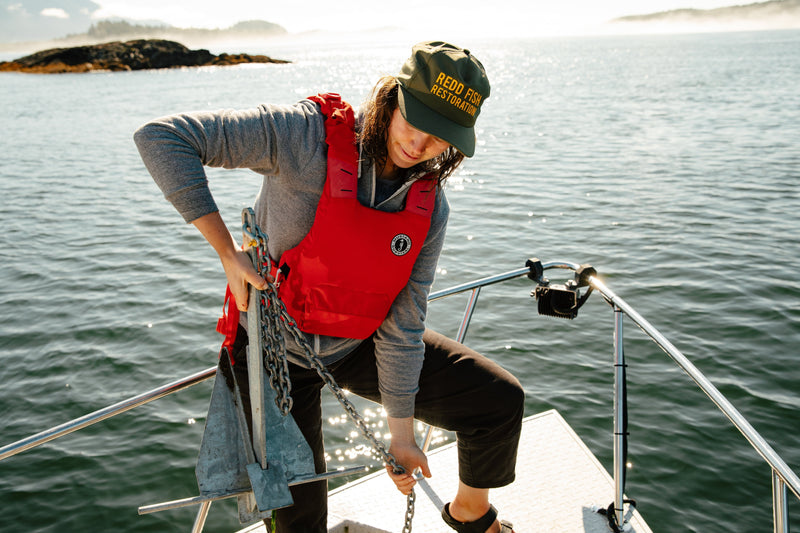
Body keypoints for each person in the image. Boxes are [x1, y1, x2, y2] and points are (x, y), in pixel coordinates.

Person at [134, 40, 522, 533]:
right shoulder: (301, 136)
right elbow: (162, 138)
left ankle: (471, 514)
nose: (420, 146)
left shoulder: (430, 209)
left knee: (498, 400)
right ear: (392, 98)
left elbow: (403, 326)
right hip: (275, 357)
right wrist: (227, 252)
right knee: (302, 525)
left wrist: (400, 436)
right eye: (413, 121)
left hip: (357, 344)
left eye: (440, 137)